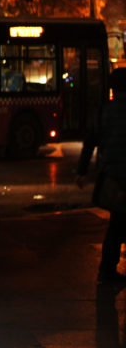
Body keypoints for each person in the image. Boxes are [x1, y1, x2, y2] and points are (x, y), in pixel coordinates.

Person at [76, 68, 126, 285]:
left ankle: (107, 269)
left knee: (117, 223)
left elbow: (90, 141)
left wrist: (82, 170)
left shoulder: (104, 110)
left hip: (113, 175)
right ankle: (107, 270)